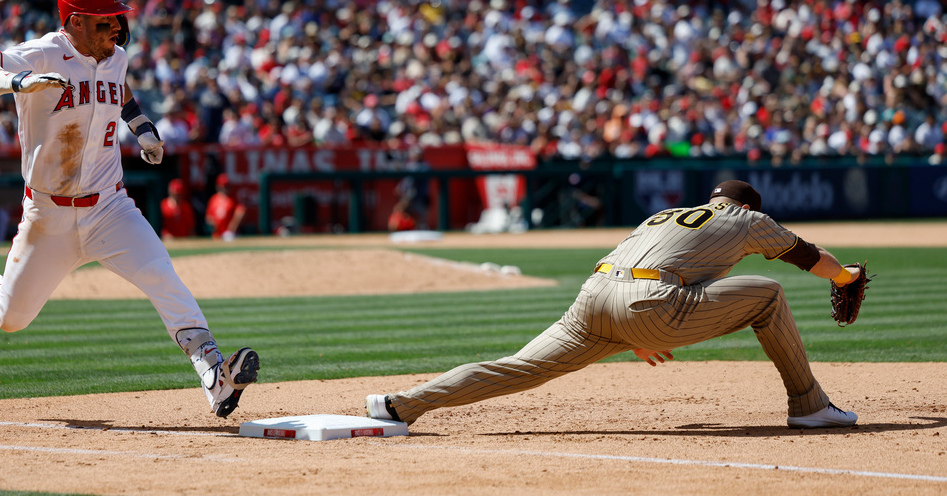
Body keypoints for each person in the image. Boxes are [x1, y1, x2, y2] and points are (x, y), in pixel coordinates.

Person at [0, 0, 259, 418]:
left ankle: (214, 374)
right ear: (75, 22)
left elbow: (121, 89)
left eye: (117, 19)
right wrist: (20, 81)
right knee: (11, 317)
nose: (116, 28)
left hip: (110, 207)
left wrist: (142, 126)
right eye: (105, 21)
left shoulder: (116, 57)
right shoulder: (43, 53)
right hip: (49, 216)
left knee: (161, 275)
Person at [366, 180, 863, 429]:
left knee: (517, 367)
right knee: (770, 295)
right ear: (747, 205)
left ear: (711, 199)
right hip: (650, 304)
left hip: (593, 299)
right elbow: (811, 258)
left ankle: (398, 407)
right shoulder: (748, 219)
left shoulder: (664, 214)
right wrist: (846, 276)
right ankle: (809, 406)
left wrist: (635, 330)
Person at [205, 173, 245, 241]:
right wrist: (212, 224)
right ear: (218, 186)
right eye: (223, 186)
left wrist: (232, 228)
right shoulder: (214, 199)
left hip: (229, 234)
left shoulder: (233, 199)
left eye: (227, 186)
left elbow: (241, 211)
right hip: (217, 234)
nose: (225, 188)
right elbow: (208, 217)